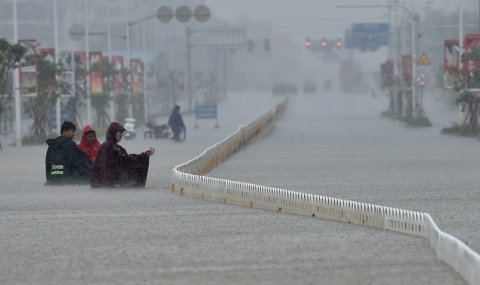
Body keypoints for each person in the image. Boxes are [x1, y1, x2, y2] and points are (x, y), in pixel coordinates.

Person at [91, 122, 155, 188]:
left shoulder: (116, 147)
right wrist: (104, 185)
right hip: (105, 185)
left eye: (122, 133)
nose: (122, 135)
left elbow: (127, 160)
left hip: (111, 184)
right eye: (120, 132)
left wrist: (144, 155)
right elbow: (102, 167)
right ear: (114, 132)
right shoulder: (106, 147)